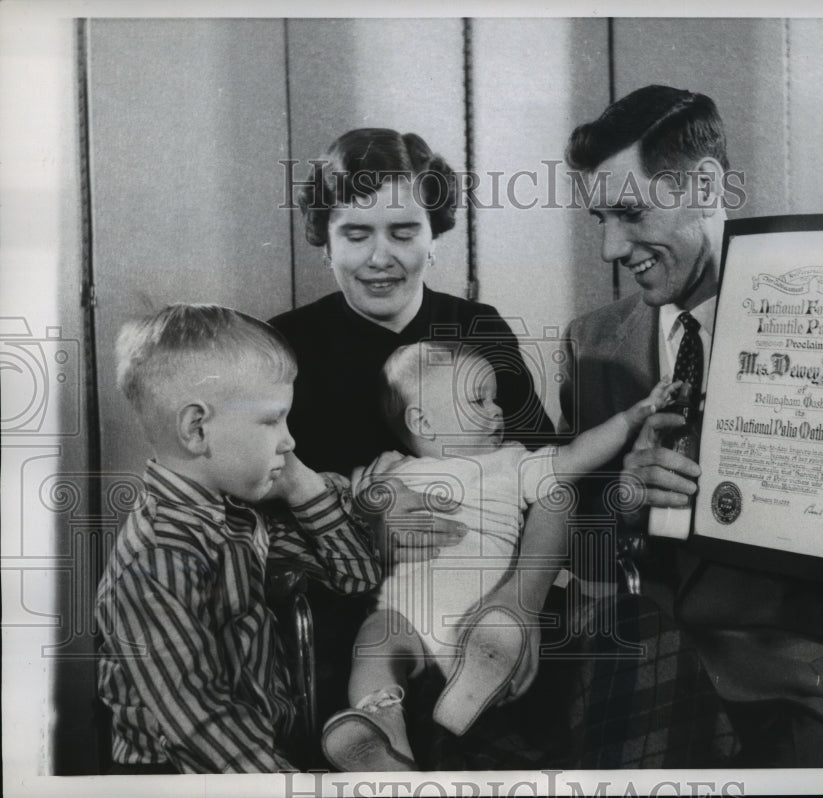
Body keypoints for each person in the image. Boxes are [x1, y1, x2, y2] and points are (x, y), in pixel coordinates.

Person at [540, 84, 823, 766]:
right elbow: (567, 554)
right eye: (599, 219)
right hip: (638, 677)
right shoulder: (591, 345)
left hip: (805, 688)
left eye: (629, 212)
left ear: (705, 183)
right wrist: (623, 496)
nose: (610, 247)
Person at [270, 128, 565, 767]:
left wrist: (521, 605)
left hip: (494, 587)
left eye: (404, 232)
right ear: (324, 240)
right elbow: (259, 513)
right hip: (354, 615)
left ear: (435, 234)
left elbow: (553, 476)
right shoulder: (284, 346)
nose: (382, 257)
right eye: (356, 234)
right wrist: (359, 525)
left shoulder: (478, 328)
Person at [319, 340, 678, 771]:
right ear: (422, 421)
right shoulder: (390, 469)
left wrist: (631, 417)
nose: (497, 411)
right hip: (408, 615)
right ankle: (383, 729)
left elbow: (575, 457)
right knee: (374, 641)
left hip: (487, 607)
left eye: (494, 398)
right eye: (477, 400)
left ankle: (480, 677)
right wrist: (373, 508)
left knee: (492, 636)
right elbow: (342, 506)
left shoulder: (512, 462)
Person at [94, 304, 383, 773]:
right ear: (197, 428)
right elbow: (199, 722)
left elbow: (356, 577)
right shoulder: (157, 556)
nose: (289, 442)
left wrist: (302, 486)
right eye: (272, 421)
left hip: (257, 758)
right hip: (185, 774)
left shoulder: (238, 518)